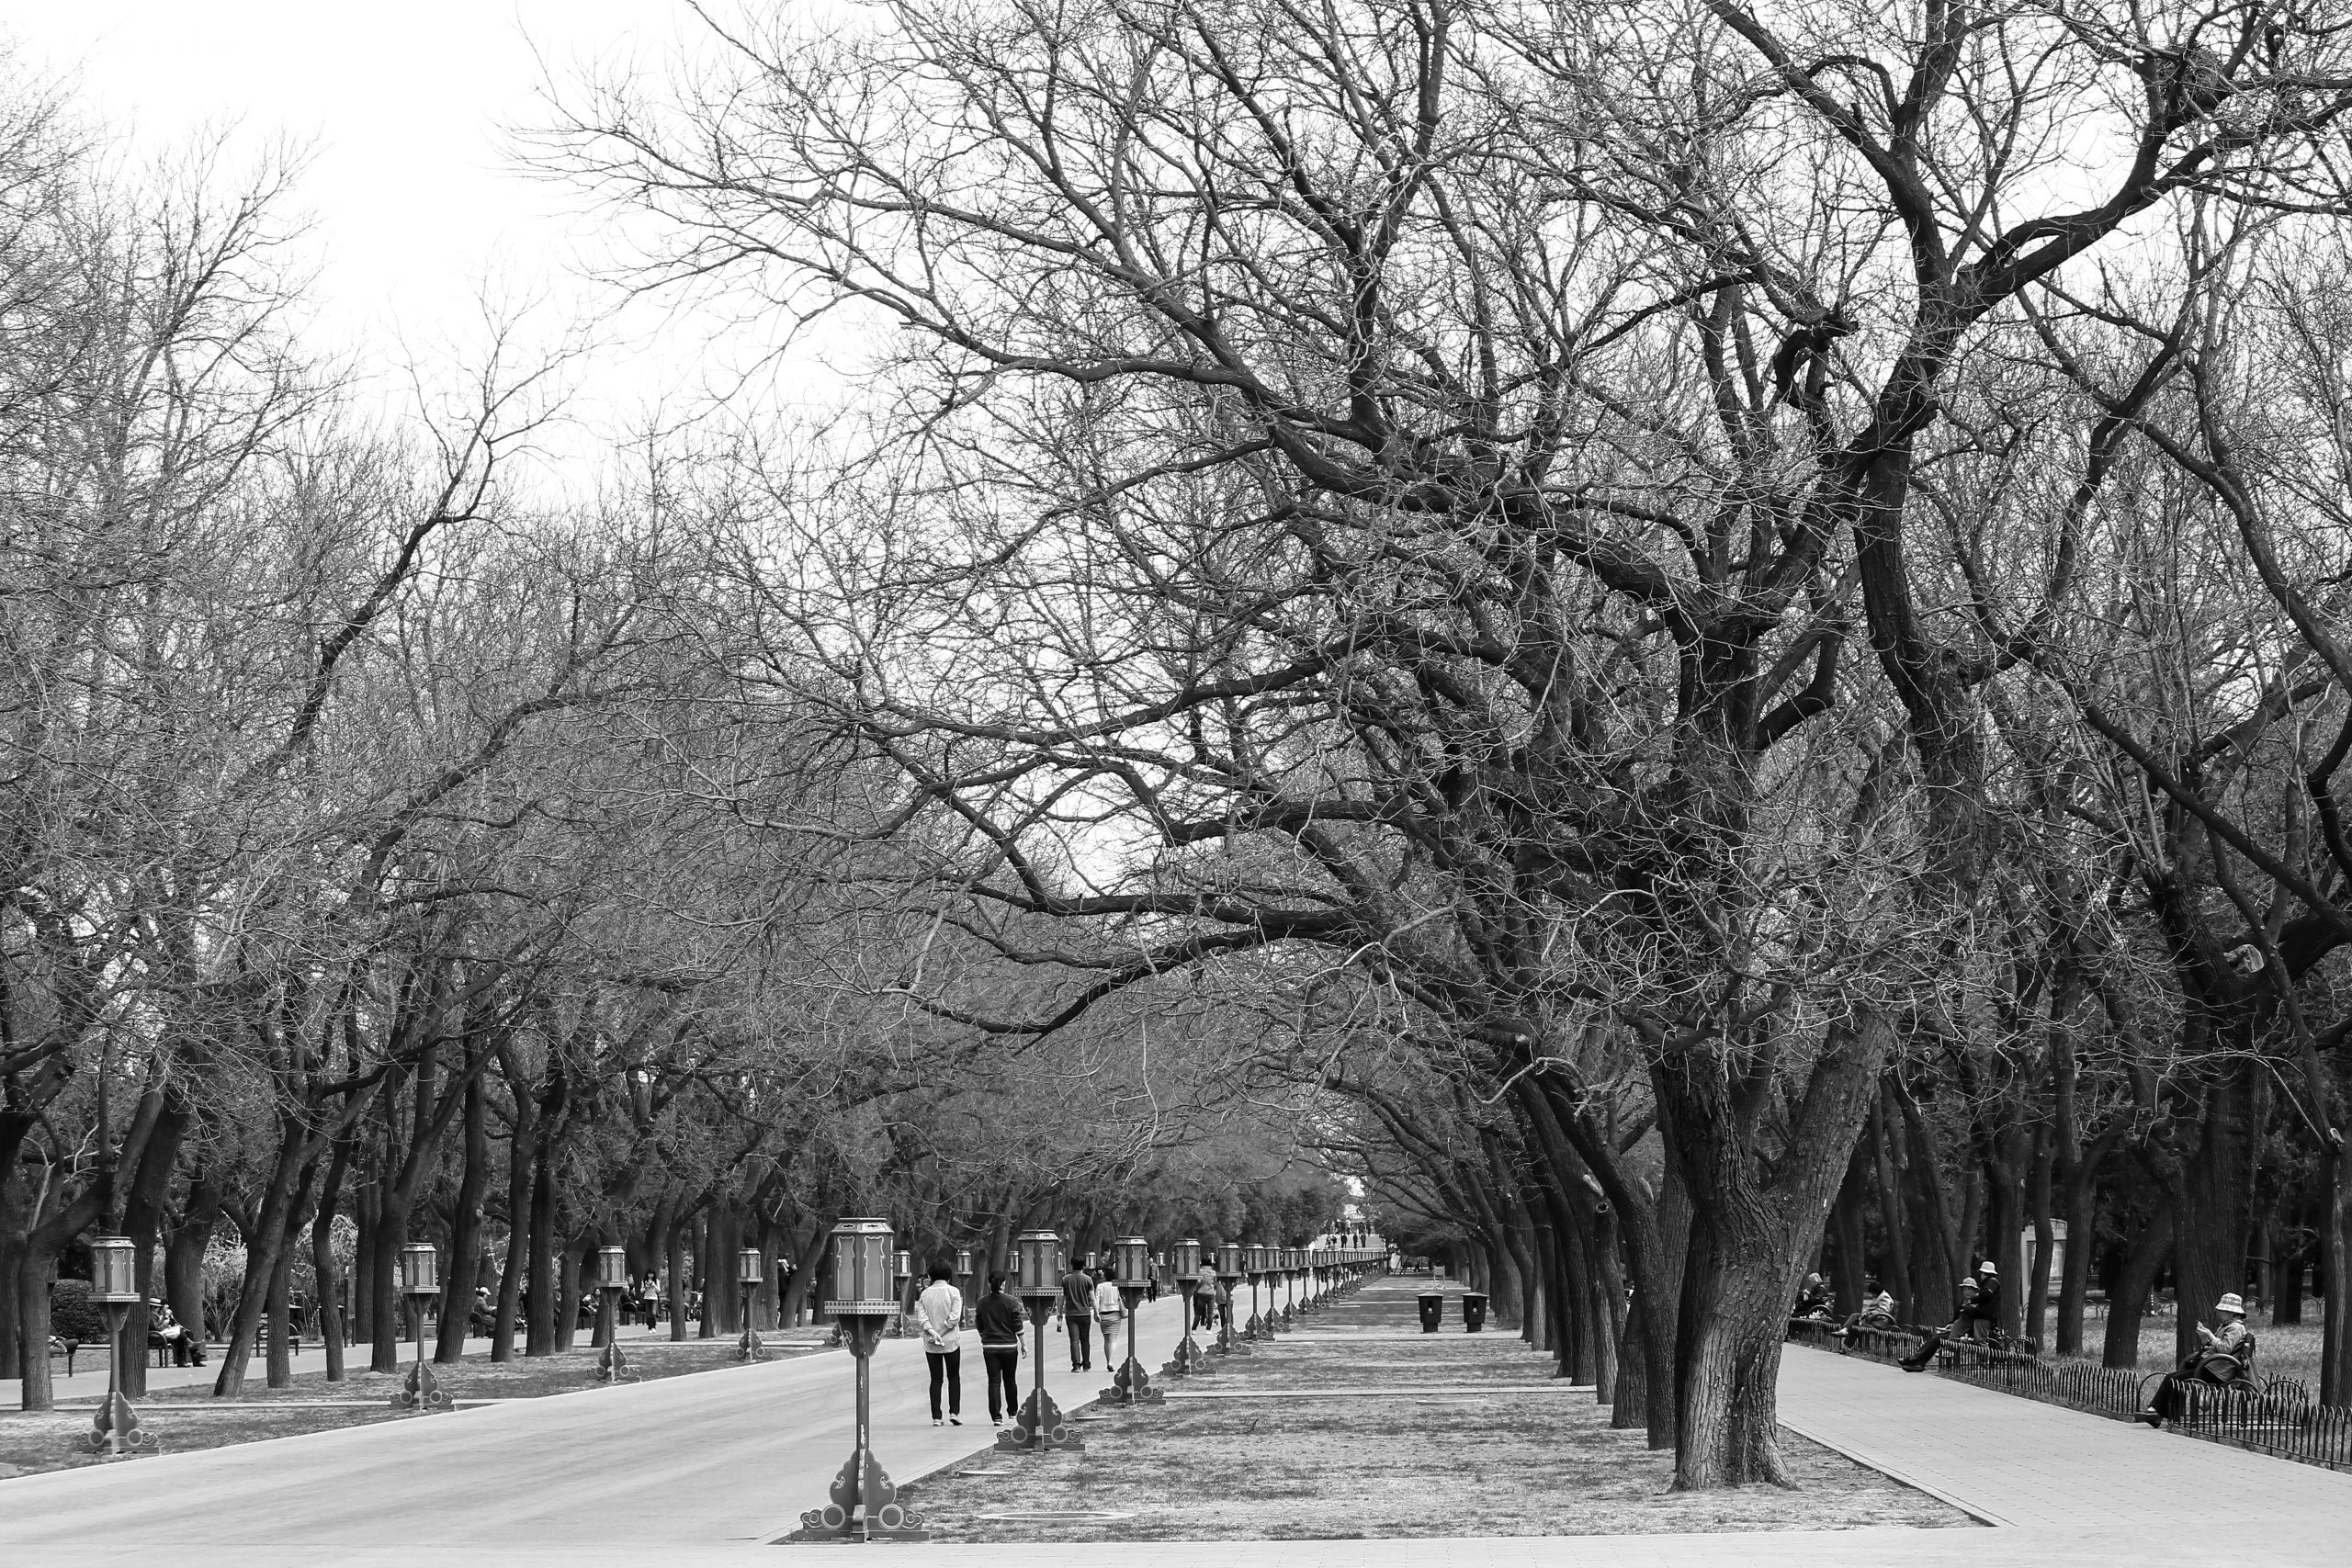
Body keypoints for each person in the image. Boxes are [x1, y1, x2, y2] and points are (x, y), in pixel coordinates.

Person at [2139, 1292, 2255, 1426]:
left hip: (2217, 1372)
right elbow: (2213, 1348)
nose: (2217, 1312)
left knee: (2173, 1379)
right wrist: (2204, 1337)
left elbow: (2225, 1349)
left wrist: (2210, 1334)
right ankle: (2157, 1414)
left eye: (2221, 1310)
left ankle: (2156, 1412)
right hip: (2209, 1366)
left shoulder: (2236, 1328)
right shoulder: (2226, 1326)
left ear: (2230, 1312)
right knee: (2173, 1378)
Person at [916, 1261, 964, 1427]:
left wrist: (933, 1333)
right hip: (951, 1341)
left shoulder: (925, 1294)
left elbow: (922, 1318)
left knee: (936, 1380)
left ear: (931, 1276)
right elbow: (955, 1318)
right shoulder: (954, 1292)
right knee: (954, 1376)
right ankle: (954, 1412)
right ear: (949, 1275)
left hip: (931, 1343)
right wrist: (941, 1334)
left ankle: (937, 1416)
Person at [976, 1270, 1024, 1427]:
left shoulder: (981, 1302)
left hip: (990, 1347)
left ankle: (996, 1416)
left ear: (989, 1283)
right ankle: (1012, 1410)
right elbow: (1017, 1324)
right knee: (1010, 1379)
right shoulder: (1011, 1301)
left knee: (994, 1381)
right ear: (1004, 1284)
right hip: (1009, 1346)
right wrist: (1023, 1344)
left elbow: (979, 1324)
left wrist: (984, 1336)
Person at [1059, 1255, 1095, 1371]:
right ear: (1083, 1265)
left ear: (1071, 1265)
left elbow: (1061, 1297)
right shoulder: (1088, 1279)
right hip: (1085, 1313)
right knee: (1085, 1339)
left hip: (1071, 1314)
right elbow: (1092, 1298)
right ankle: (1086, 1364)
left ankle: (1076, 1365)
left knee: (1074, 1340)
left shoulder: (1065, 1279)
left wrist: (1060, 1311)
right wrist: (1097, 1312)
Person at [1958, 1261, 2000, 1341]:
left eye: (1981, 1273)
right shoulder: (1989, 1283)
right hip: (1984, 1315)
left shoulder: (1991, 1282)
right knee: (1979, 1340)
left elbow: (1986, 1295)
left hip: (1984, 1315)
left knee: (1980, 1340)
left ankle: (1984, 1353)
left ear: (1984, 1273)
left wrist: (1972, 1300)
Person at [1092, 1269, 1126, 1367]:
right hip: (1115, 1314)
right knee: (1113, 1339)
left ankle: (1108, 1360)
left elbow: (1096, 1300)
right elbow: (1121, 1298)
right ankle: (1110, 1362)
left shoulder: (1100, 1286)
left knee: (1106, 1340)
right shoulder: (1117, 1287)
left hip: (1103, 1314)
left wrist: (1096, 1313)